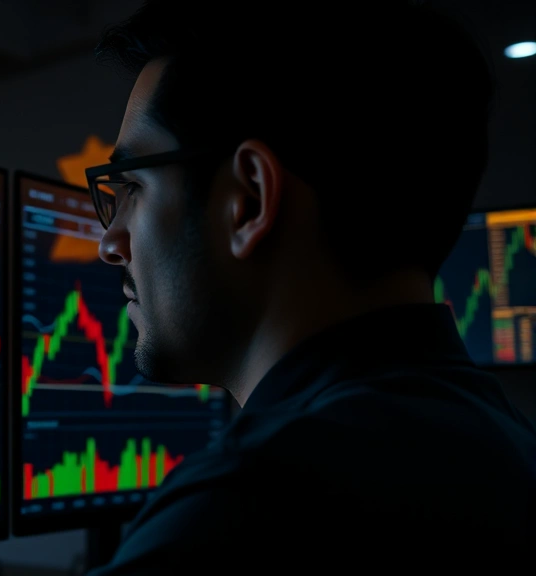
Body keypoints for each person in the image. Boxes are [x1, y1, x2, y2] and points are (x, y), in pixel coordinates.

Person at [83, 0, 536, 571]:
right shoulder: (506, 447)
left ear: (248, 200)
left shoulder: (245, 508)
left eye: (132, 187)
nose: (110, 241)